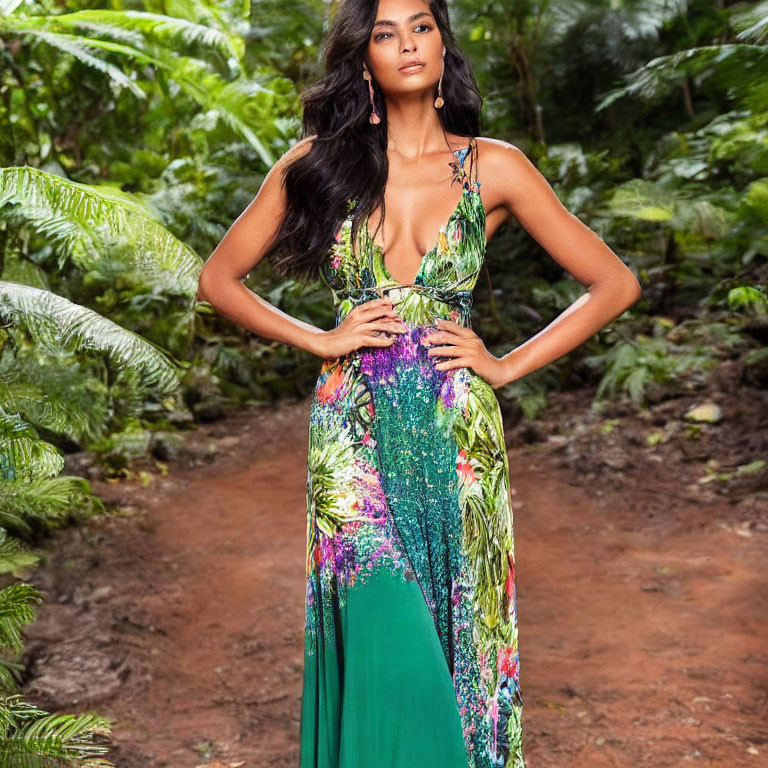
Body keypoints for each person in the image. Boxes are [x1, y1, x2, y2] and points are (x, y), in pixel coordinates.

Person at [197, 0, 641, 764]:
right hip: (351, 432)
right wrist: (320, 338)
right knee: (389, 635)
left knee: (459, 640)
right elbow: (218, 278)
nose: (407, 43)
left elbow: (614, 283)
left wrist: (504, 364)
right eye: (384, 31)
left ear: (443, 44)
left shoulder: (492, 166)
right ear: (362, 56)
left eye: (422, 26)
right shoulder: (315, 165)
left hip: (458, 437)